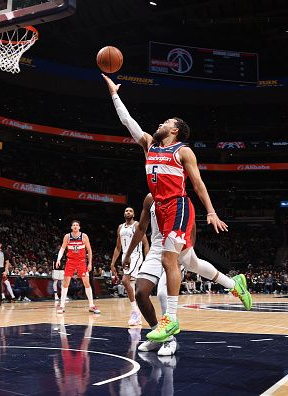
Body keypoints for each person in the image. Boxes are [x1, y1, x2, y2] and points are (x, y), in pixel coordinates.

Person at [103, 74, 248, 342]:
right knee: (186, 263)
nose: (160, 123)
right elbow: (127, 121)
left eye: (165, 122)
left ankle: (170, 319)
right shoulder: (149, 144)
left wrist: (211, 212)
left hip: (179, 206)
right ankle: (232, 284)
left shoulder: (184, 151)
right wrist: (114, 94)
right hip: (161, 208)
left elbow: (198, 183)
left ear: (175, 130)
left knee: (172, 261)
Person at [123, 193, 251, 355]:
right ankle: (159, 336)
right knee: (140, 293)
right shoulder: (149, 199)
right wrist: (127, 254)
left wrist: (183, 253)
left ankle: (170, 340)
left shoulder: (181, 200)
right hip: (156, 249)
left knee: (163, 293)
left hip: (175, 248)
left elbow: (192, 230)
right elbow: (141, 228)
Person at [110, 207, 149, 326]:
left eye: (130, 211)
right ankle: (137, 314)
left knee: (125, 281)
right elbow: (118, 247)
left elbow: (146, 244)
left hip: (136, 255)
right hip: (124, 257)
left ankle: (136, 312)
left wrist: (147, 261)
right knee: (130, 284)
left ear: (134, 214)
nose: (128, 212)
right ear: (124, 213)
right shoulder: (120, 227)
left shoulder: (137, 225)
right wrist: (112, 263)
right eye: (126, 211)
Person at [54, 220, 100, 314]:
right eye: (73, 225)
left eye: (77, 225)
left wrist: (90, 263)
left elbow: (89, 250)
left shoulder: (84, 236)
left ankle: (91, 305)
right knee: (65, 282)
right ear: (71, 227)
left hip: (81, 261)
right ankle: (62, 306)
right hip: (70, 261)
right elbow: (62, 248)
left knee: (86, 283)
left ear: (79, 227)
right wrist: (58, 259)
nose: (75, 226)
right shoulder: (67, 236)